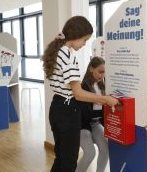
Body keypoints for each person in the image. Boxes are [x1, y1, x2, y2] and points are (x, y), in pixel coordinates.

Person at [42, 15, 118, 172]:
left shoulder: (59, 51)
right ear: (76, 35)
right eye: (84, 39)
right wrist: (104, 99)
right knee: (68, 162)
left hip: (58, 107)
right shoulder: (67, 55)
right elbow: (78, 93)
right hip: (67, 112)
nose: (84, 44)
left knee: (62, 158)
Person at [76, 56, 108, 172]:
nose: (102, 75)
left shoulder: (102, 85)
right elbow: (86, 114)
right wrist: (106, 102)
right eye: (100, 72)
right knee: (90, 153)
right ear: (91, 69)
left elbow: (102, 113)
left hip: (95, 123)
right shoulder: (83, 86)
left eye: (104, 72)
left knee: (105, 150)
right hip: (82, 125)